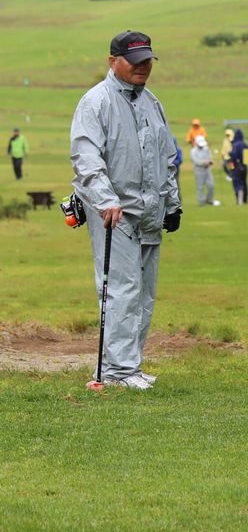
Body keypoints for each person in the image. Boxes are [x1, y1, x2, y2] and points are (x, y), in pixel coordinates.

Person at [69, 30, 182, 390]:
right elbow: (87, 159)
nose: (143, 67)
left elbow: (167, 157)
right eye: (135, 61)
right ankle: (117, 371)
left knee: (144, 293)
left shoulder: (153, 102)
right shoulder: (95, 102)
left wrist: (173, 203)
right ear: (113, 62)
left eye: (147, 60)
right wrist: (105, 200)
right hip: (113, 214)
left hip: (149, 212)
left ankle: (130, 365)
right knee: (121, 289)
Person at [190, 135, 219, 206]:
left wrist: (210, 161)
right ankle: (201, 202)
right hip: (198, 170)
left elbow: (210, 157)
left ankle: (209, 200)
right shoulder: (193, 151)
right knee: (200, 186)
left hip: (207, 170)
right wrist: (204, 162)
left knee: (211, 185)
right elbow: (196, 161)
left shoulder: (206, 149)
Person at [228, 128, 248, 204]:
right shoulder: (245, 145)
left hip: (237, 168)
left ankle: (239, 200)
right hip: (245, 167)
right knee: (244, 183)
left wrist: (231, 171)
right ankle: (245, 200)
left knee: (237, 184)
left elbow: (232, 159)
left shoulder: (235, 145)